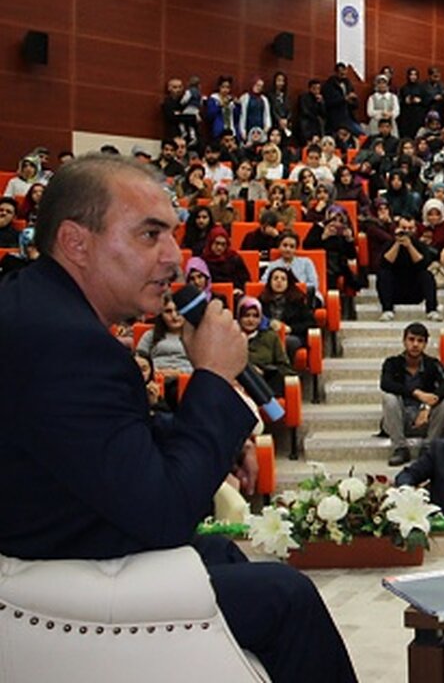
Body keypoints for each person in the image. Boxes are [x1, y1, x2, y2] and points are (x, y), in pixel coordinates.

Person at [0, 154, 356, 682]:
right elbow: (166, 514)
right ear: (76, 242)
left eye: (172, 234)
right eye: (150, 235)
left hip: (53, 536)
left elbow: (102, 438)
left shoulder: (36, 307)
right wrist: (211, 376)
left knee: (220, 552)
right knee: (285, 596)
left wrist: (221, 438)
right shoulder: (67, 341)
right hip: (54, 572)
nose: (173, 258)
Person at [381, 322, 444, 466]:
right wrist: (416, 393)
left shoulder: (433, 363)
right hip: (399, 420)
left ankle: (428, 447)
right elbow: (386, 384)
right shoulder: (392, 362)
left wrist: (427, 407)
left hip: (426, 421)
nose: (415, 344)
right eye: (411, 339)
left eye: (420, 341)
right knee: (389, 397)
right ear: (404, 341)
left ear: (425, 344)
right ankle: (400, 448)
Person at [377, 215, 442, 322]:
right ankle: (387, 310)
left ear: (415, 229)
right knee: (383, 274)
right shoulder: (389, 244)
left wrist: (409, 246)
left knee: (427, 275)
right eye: (404, 228)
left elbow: (422, 264)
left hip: (414, 290)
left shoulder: (420, 245)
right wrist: (397, 244)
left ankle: (432, 310)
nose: (407, 231)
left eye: (410, 228)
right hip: (395, 290)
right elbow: (385, 263)